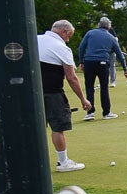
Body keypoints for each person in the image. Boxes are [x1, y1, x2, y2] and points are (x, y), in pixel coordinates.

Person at [37, 20, 93, 172]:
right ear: (63, 32)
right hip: (52, 93)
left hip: (31, 93)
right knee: (58, 127)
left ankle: (32, 162)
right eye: (69, 36)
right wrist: (83, 99)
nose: (68, 40)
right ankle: (63, 162)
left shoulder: (34, 39)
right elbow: (71, 77)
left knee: (35, 128)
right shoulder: (62, 48)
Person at [77, 16, 127, 119]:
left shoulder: (90, 33)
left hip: (89, 62)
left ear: (99, 25)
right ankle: (106, 113)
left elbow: (81, 47)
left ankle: (90, 113)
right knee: (104, 87)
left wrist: (81, 62)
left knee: (89, 87)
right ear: (108, 27)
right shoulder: (111, 38)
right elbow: (120, 55)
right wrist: (125, 69)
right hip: (103, 63)